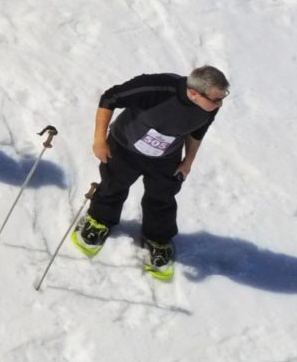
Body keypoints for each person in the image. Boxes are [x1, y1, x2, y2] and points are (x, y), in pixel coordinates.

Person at [74, 66, 229, 279]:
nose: (220, 104)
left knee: (162, 196)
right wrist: (100, 139)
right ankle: (99, 221)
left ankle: (158, 239)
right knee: (113, 184)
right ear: (194, 92)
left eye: (222, 98)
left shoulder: (209, 106)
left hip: (166, 157)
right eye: (216, 99)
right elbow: (109, 98)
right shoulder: (155, 87)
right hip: (124, 147)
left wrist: (188, 161)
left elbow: (197, 131)